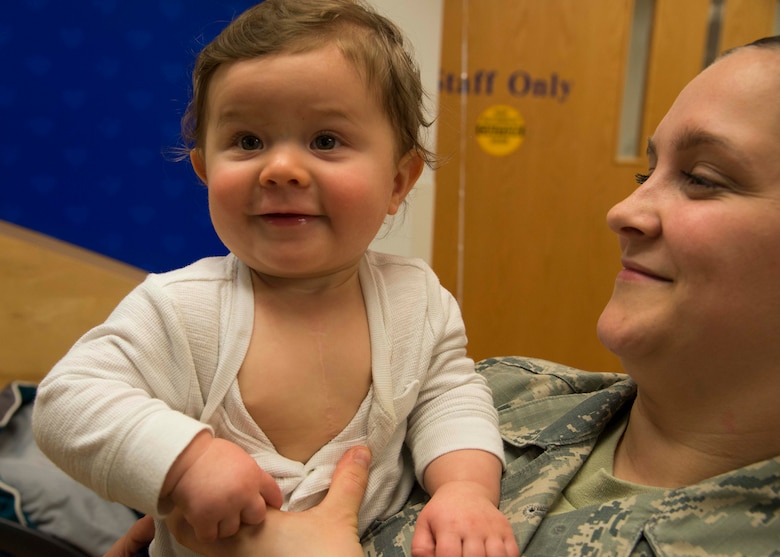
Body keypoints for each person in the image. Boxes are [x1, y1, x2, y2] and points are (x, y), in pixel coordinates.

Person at [106, 34, 780, 556]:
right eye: (646, 169)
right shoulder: (506, 391)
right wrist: (182, 469)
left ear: (400, 179)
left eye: (704, 177)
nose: (625, 209)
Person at [32, 1, 517, 556]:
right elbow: (67, 402)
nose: (280, 168)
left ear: (398, 181)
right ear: (205, 170)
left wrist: (464, 489)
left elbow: (451, 399)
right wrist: (185, 462)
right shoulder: (178, 307)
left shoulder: (419, 301)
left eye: (326, 141)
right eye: (248, 141)